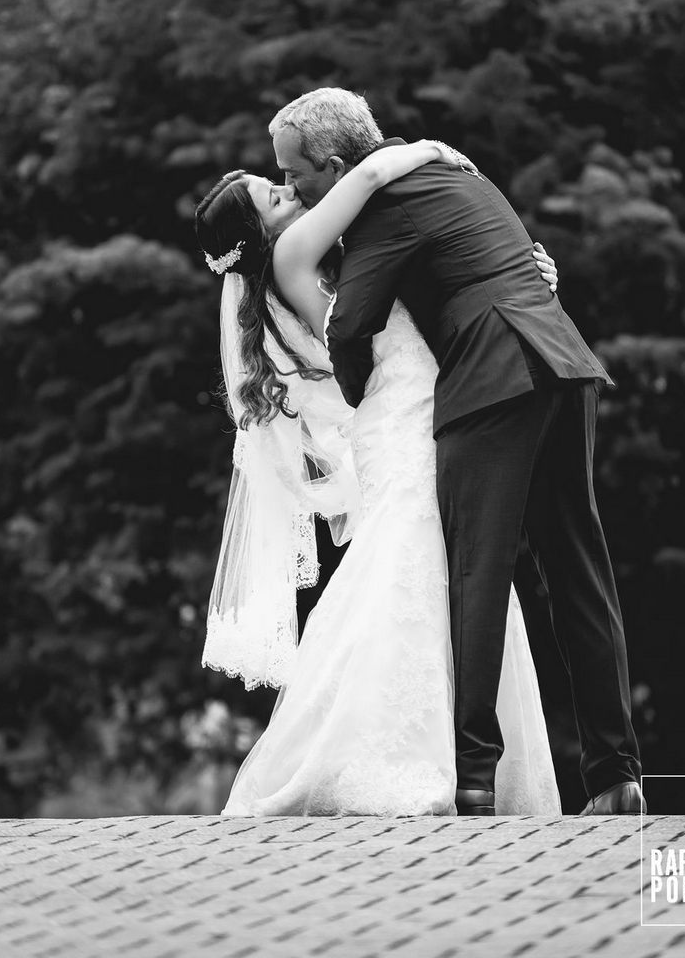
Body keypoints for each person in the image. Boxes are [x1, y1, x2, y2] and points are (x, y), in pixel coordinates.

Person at [270, 88, 645, 817]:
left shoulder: (380, 207)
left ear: (336, 166)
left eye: (295, 174)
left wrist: (361, 393)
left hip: (493, 382)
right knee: (579, 571)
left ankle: (473, 776)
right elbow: (510, 265)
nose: (292, 188)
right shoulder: (454, 173)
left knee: (477, 570)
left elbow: (350, 325)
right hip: (563, 363)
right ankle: (616, 773)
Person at [195, 140, 562, 815]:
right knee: (418, 564)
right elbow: (366, 172)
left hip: (427, 406)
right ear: (260, 233)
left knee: (449, 569)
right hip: (407, 418)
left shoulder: (326, 252)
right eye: (273, 196)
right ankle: (397, 757)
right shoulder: (293, 255)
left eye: (283, 182)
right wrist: (428, 150)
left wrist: (522, 275)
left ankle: (457, 756)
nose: (289, 190)